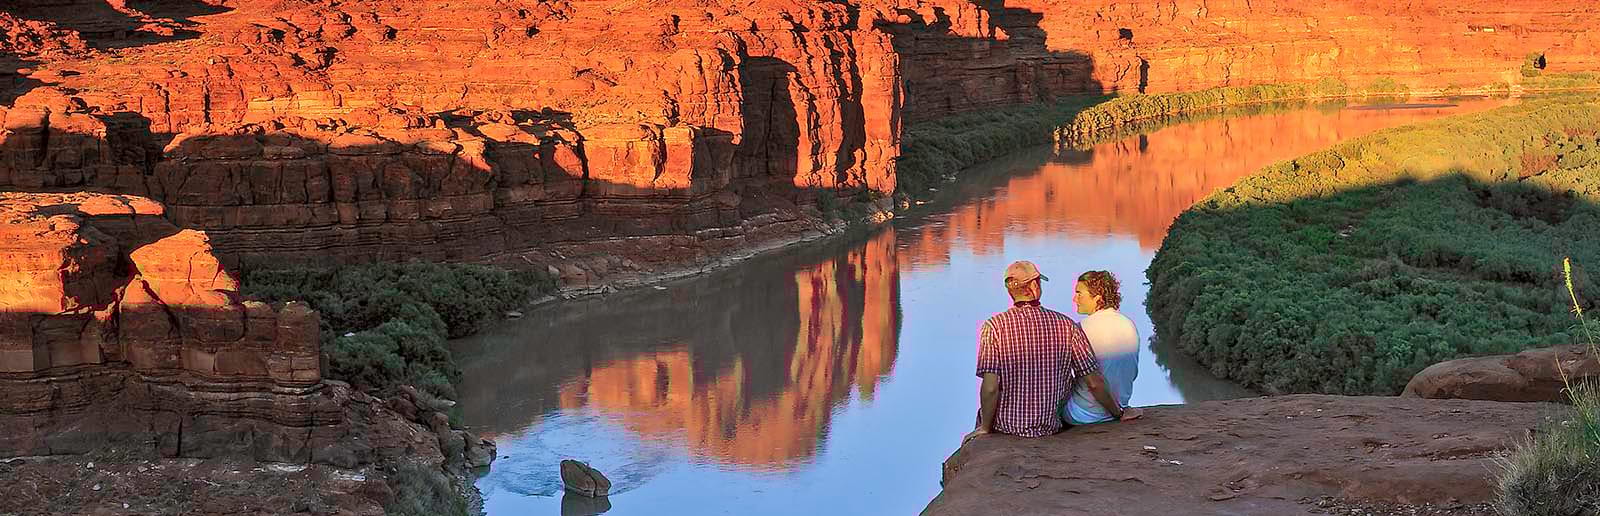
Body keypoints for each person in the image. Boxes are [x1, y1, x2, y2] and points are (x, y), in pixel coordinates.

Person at [965, 261, 1141, 444]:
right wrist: (1119, 413)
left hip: (1007, 426)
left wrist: (985, 427)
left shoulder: (993, 327)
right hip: (1049, 425)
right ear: (1035, 287)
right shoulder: (1066, 325)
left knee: (982, 415)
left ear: (1010, 291)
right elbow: (1093, 380)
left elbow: (990, 388)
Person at [1063, 270, 1141, 425]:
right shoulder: (1129, 324)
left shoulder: (1080, 329)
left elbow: (1092, 383)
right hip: (1121, 405)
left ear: (1097, 298)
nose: (1074, 299)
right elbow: (1132, 372)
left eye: (1079, 293)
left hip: (1084, 414)